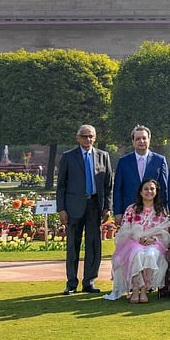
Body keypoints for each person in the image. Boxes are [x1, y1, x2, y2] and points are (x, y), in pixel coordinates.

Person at [57, 124, 114, 295]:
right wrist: (61, 209)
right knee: (73, 245)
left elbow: (108, 185)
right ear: (78, 137)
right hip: (74, 206)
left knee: (94, 245)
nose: (88, 139)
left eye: (91, 136)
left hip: (95, 206)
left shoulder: (103, 156)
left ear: (95, 137)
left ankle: (89, 281)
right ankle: (71, 283)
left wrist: (107, 207)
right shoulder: (68, 157)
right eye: (84, 136)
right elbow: (61, 186)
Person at [104, 179, 170, 303]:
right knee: (137, 254)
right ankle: (135, 290)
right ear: (140, 192)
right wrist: (138, 237)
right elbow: (124, 228)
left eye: (152, 189)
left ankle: (144, 290)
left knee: (151, 255)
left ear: (156, 192)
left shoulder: (160, 210)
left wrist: (152, 238)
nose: (149, 191)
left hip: (153, 243)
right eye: (146, 189)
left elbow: (164, 230)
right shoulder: (132, 209)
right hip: (133, 242)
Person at [113, 125, 168, 223]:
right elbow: (118, 189)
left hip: (153, 211)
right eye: (138, 139)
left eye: (144, 138)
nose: (141, 141)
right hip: (129, 211)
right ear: (133, 142)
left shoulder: (160, 160)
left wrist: (164, 209)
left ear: (149, 139)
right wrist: (117, 212)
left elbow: (164, 187)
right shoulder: (123, 162)